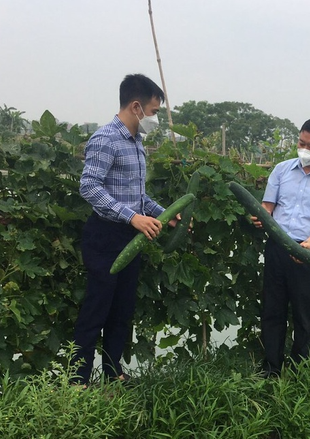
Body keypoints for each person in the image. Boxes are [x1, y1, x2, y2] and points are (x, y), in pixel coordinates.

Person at [72, 73, 178, 386]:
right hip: (105, 235)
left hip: (131, 237)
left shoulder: (137, 143)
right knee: (96, 309)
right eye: (155, 112)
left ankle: (112, 372)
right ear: (136, 106)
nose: (155, 119)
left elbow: (137, 196)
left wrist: (163, 214)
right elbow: (89, 186)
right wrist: (132, 217)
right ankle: (78, 381)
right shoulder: (106, 138)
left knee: (122, 310)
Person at [252, 117, 310, 377]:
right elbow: (268, 206)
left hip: (307, 251)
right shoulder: (282, 170)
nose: (304, 149)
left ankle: (298, 368)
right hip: (277, 247)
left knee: (303, 314)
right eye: (301, 143)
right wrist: (260, 216)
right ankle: (271, 368)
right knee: (273, 309)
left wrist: (309, 245)